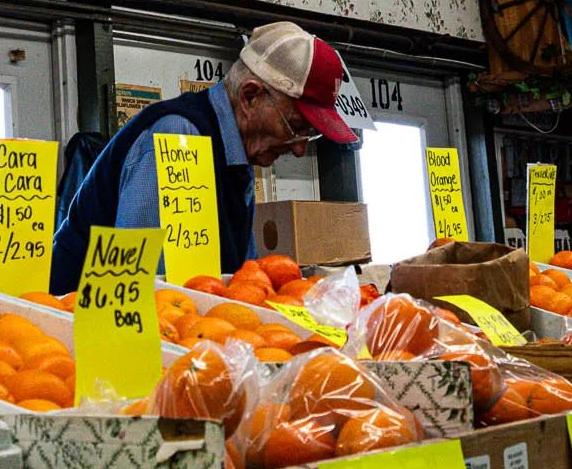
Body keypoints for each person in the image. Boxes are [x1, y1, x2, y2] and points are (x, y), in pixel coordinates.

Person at [48, 22, 363, 294]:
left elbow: (241, 278)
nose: (297, 148)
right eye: (295, 127)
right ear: (250, 96)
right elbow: (141, 288)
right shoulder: (177, 137)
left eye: (309, 134)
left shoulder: (236, 157)